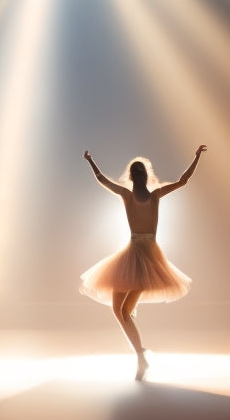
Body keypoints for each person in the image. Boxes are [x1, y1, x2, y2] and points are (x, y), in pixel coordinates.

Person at [81, 145, 207, 380]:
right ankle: (140, 355)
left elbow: (102, 179)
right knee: (120, 312)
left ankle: (140, 356)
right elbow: (183, 181)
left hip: (146, 257)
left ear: (132, 176)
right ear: (143, 176)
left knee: (123, 312)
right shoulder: (148, 195)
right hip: (137, 253)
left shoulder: (142, 195)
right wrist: (196, 157)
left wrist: (90, 160)